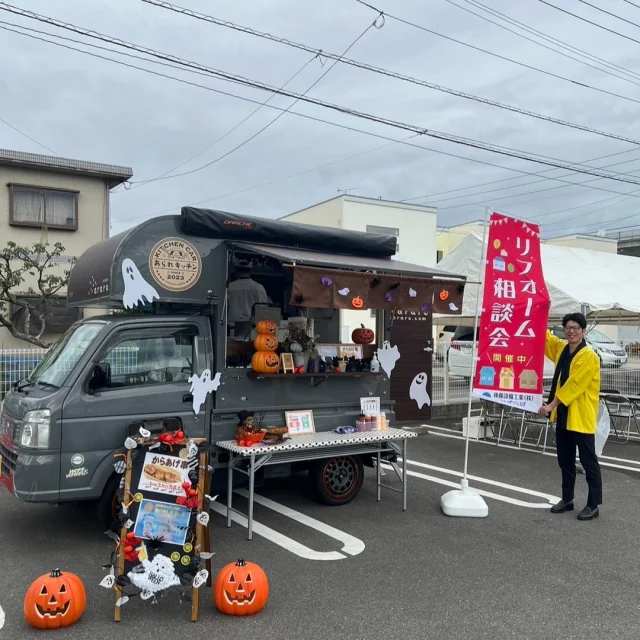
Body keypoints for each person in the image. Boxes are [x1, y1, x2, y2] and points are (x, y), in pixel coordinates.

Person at [539, 313, 602, 520]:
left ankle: (593, 504)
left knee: (588, 462)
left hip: (580, 418)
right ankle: (567, 499)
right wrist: (535, 315)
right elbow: (546, 339)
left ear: (583, 331)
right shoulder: (562, 349)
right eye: (568, 327)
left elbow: (574, 385)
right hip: (564, 417)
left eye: (576, 328)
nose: (571, 331)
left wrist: (551, 405)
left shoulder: (589, 356)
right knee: (565, 461)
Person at [227, 266, 269, 337]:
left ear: (236, 273)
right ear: (250, 272)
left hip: (233, 329)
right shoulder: (259, 288)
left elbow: (225, 307)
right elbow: (265, 309)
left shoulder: (230, 287)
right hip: (255, 330)